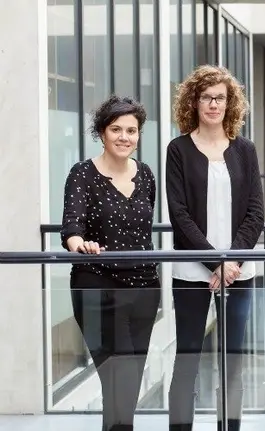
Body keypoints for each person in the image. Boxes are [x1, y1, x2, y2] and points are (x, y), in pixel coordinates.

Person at [166, 65, 264, 431]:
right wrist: (215, 263)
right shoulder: (178, 149)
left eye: (219, 97)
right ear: (194, 101)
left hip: (239, 272)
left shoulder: (245, 150)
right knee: (187, 359)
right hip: (192, 272)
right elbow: (179, 214)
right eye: (206, 97)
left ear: (230, 103)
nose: (212, 104)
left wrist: (232, 261)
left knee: (233, 362)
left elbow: (256, 212)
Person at [61, 95, 160, 431]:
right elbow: (71, 227)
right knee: (120, 377)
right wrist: (80, 243)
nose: (124, 136)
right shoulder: (82, 174)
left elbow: (145, 229)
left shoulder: (145, 175)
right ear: (101, 132)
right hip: (98, 287)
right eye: (116, 128)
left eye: (131, 130)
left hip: (145, 289)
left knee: (128, 387)